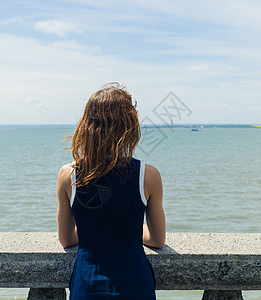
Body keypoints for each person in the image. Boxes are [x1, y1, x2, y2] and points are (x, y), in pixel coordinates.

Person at [56, 83, 166, 299]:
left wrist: (95, 231)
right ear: (129, 127)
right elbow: (157, 239)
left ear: (86, 126)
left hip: (87, 285)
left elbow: (66, 239)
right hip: (135, 285)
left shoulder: (68, 175)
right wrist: (128, 230)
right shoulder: (148, 175)